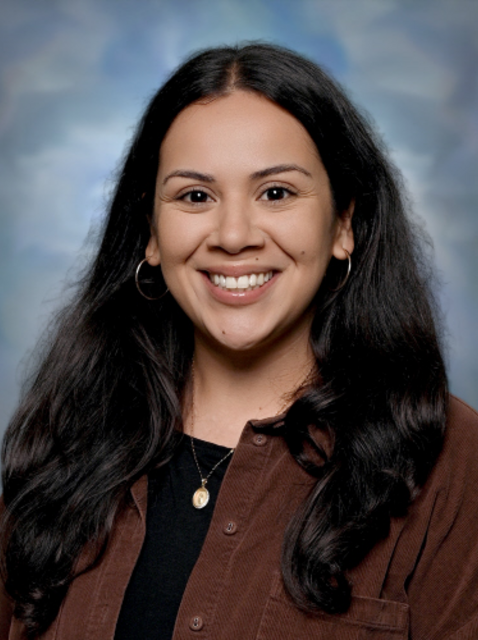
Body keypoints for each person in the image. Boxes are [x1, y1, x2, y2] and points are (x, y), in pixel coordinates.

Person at [1, 42, 478, 640]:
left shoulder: (449, 458)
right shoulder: (66, 440)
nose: (233, 236)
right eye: (195, 196)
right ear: (152, 233)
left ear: (343, 223)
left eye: (276, 192)